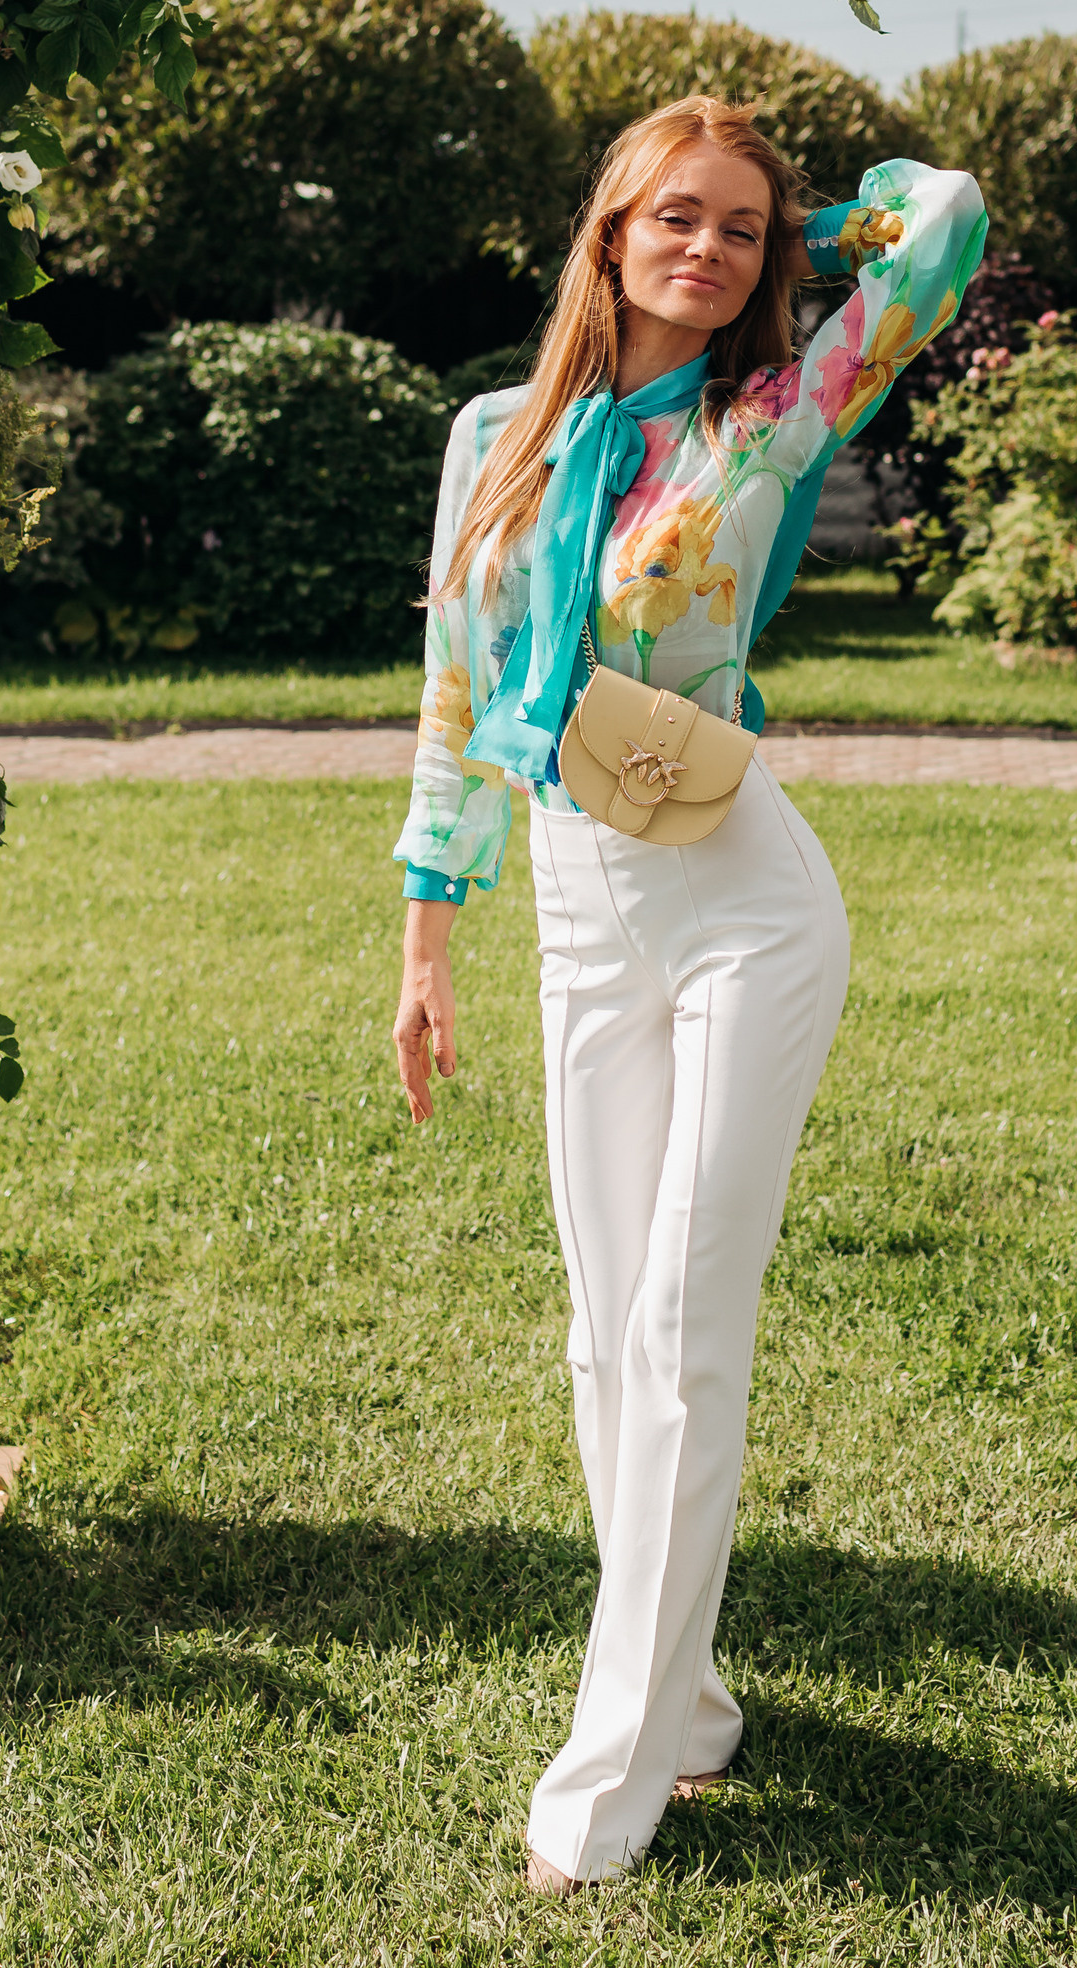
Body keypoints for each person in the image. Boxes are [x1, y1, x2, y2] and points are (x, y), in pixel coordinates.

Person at [390, 94, 987, 1891]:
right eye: (673, 217)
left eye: (739, 228)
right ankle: (696, 1692)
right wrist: (426, 936)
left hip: (741, 900)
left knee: (681, 1329)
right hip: (579, 902)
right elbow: (446, 682)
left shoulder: (775, 418)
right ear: (606, 231)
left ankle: (618, 1756)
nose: (703, 248)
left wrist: (811, 246)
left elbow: (944, 222)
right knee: (600, 1334)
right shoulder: (497, 435)